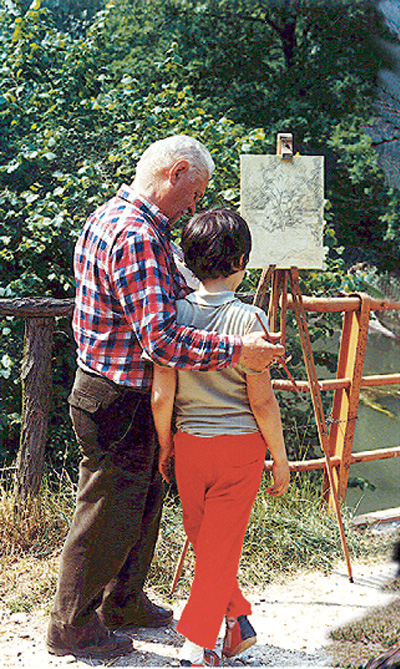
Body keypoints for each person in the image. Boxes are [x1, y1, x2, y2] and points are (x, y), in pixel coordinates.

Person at [47, 135, 285, 660]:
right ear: (176, 173)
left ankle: (124, 602)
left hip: (118, 389)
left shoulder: (111, 216)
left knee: (141, 502)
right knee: (108, 510)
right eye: (194, 195)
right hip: (118, 394)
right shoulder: (136, 235)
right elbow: (160, 338)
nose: (194, 208)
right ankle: (72, 626)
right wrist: (237, 350)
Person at [150, 208, 290, 667]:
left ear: (189, 261)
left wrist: (166, 445)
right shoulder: (251, 319)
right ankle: (201, 645)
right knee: (218, 547)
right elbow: (263, 401)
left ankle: (231, 625)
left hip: (189, 442)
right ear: (243, 260)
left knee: (208, 542)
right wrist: (281, 458)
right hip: (240, 448)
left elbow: (161, 393)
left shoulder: (172, 315)